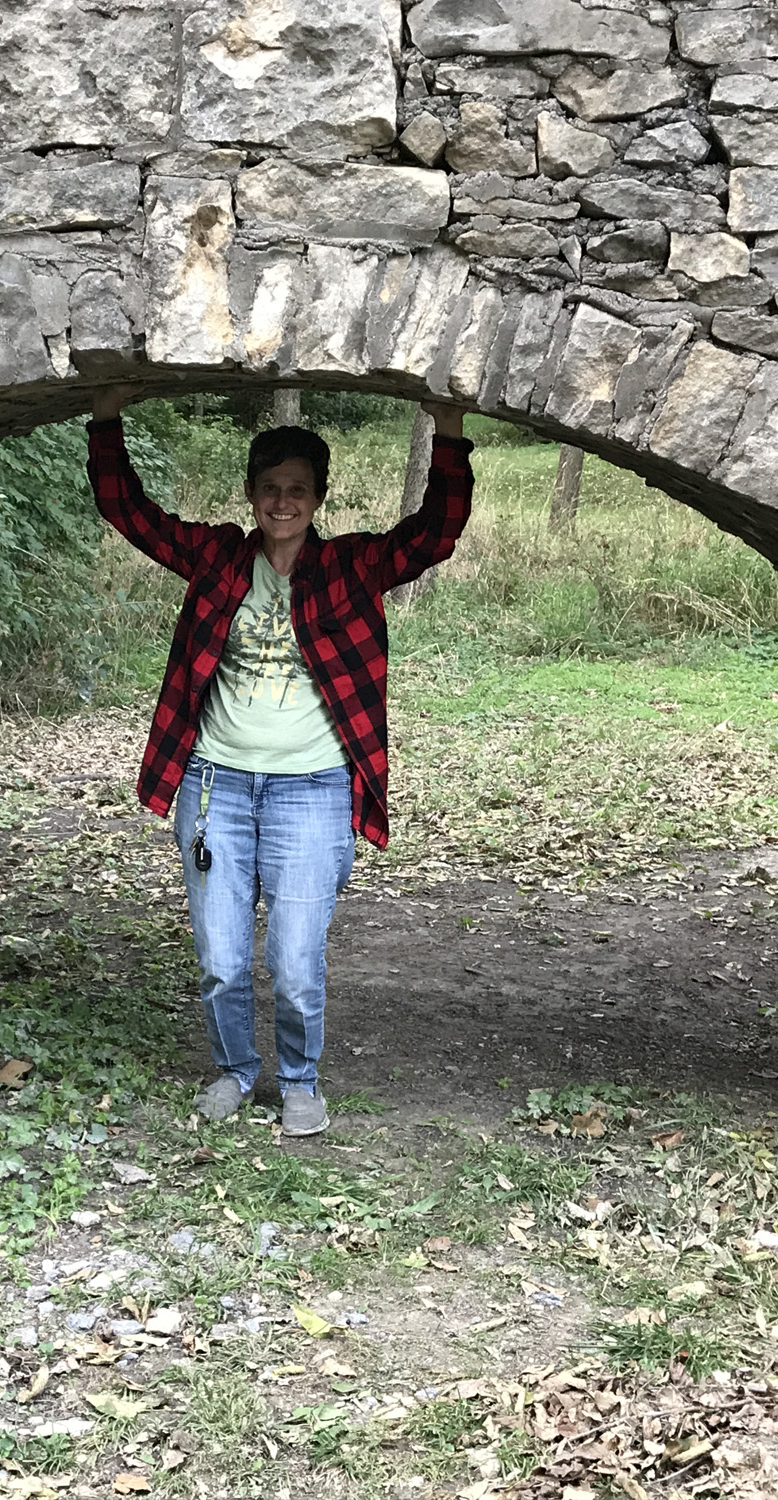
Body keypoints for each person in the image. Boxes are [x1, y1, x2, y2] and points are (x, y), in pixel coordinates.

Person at [86, 387, 474, 1136]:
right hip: (216, 786)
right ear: (250, 494)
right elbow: (128, 511)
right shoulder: (217, 560)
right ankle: (235, 1070)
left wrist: (450, 429)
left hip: (314, 790)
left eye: (297, 489)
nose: (282, 502)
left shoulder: (352, 566)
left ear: (318, 497)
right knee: (221, 958)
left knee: (295, 961)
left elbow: (436, 532)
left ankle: (299, 1080)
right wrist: (105, 418)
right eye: (270, 488)